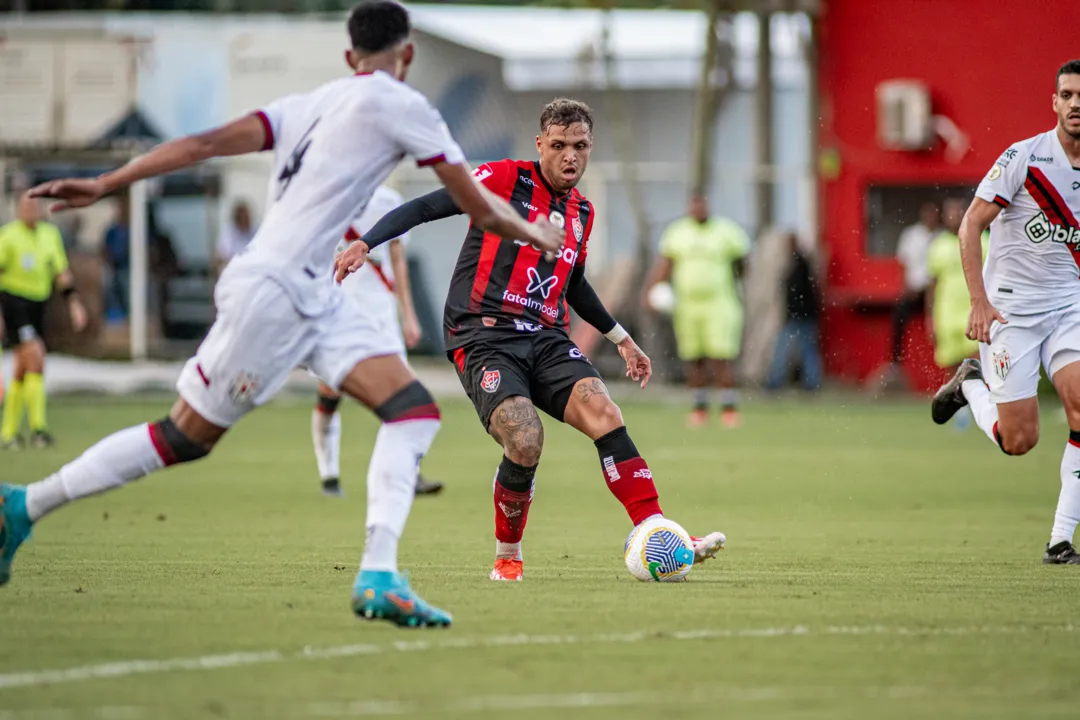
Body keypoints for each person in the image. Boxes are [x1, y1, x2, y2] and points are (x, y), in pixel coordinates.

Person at [2, 0, 561, 629]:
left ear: (350, 58)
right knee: (184, 437)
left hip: (313, 292)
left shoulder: (303, 104)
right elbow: (480, 207)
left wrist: (108, 182)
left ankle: (379, 574)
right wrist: (537, 234)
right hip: (273, 293)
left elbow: (205, 143)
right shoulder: (405, 105)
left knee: (411, 410)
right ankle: (23, 506)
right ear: (406, 56)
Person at [336, 98, 726, 583]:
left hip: (544, 335)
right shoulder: (503, 180)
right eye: (559, 145)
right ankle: (508, 555)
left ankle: (659, 533)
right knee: (524, 438)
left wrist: (621, 339)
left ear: (590, 148)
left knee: (606, 414)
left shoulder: (582, 210)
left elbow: (574, 283)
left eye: (580, 146)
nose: (570, 156)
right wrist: (365, 243)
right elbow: (426, 206)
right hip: (483, 335)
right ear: (540, 144)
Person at [932, 59, 1080, 565]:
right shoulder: (1025, 158)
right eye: (1067, 94)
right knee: (1020, 441)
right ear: (1055, 102)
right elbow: (971, 225)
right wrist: (979, 301)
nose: (1076, 103)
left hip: (1069, 309)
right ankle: (970, 383)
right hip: (1010, 313)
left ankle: (1060, 540)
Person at [313, 184, 444, 497]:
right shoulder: (328, 195)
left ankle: (408, 473)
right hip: (341, 304)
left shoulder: (388, 200)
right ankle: (329, 475)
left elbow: (397, 260)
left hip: (381, 310)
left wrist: (408, 315)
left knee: (403, 392)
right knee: (330, 391)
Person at [644, 195, 751, 428]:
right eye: (694, 204)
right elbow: (665, 264)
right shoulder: (677, 232)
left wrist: (735, 285)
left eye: (702, 204)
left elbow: (742, 262)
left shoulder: (726, 232)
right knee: (693, 357)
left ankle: (729, 408)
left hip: (720, 303)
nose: (698, 209)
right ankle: (699, 408)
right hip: (687, 305)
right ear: (689, 207)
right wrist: (651, 290)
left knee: (720, 355)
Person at [0, 194, 88, 449]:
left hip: (39, 304)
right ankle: (39, 428)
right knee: (36, 357)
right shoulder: (8, 236)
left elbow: (60, 271)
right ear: (18, 210)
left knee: (22, 367)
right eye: (25, 206)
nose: (30, 211)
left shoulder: (50, 235)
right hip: (14, 303)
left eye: (34, 206)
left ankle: (8, 433)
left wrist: (74, 302)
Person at [926, 198, 989, 430]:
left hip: (974, 312)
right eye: (948, 211)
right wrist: (929, 318)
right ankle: (960, 414)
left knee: (978, 360)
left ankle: (983, 407)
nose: (952, 215)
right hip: (946, 313)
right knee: (952, 365)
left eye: (956, 211)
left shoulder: (982, 240)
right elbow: (931, 285)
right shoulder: (938, 245)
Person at [764, 232, 823, 391]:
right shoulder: (801, 263)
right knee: (807, 349)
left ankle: (776, 381)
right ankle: (811, 382)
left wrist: (794, 311)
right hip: (802, 314)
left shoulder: (799, 264)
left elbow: (800, 292)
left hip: (798, 315)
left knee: (785, 348)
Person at [889, 202, 942, 371]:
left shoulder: (942, 237)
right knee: (899, 316)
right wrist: (905, 288)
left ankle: (942, 363)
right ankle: (896, 362)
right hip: (915, 290)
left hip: (936, 292)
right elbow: (904, 264)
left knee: (942, 322)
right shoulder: (911, 235)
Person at [101, 195, 131, 322]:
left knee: (129, 295)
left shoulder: (134, 230)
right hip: (114, 269)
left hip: (129, 269)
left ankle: (129, 318)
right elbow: (104, 249)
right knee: (111, 291)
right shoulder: (112, 231)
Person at [215, 201, 255, 277]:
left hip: (251, 270)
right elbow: (223, 255)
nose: (245, 220)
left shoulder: (254, 231)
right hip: (234, 270)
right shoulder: (229, 232)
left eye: (247, 217)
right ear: (237, 217)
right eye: (243, 217)